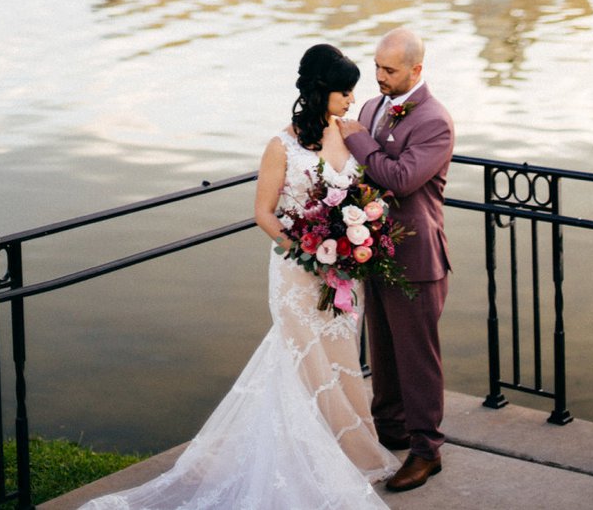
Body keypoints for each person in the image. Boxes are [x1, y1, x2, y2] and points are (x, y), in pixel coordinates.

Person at [79, 42, 397, 510]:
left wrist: (353, 239)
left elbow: (358, 190)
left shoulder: (349, 134)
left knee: (340, 358)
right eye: (344, 92)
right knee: (300, 362)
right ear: (320, 91)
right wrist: (307, 251)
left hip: (342, 272)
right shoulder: (280, 145)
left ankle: (346, 455)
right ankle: (298, 463)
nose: (352, 100)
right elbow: (264, 214)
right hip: (298, 271)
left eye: (353, 92)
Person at [339, 26, 455, 494]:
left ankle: (427, 451)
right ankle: (390, 429)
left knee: (417, 357)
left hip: (418, 256)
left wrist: (358, 141)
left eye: (389, 70)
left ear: (416, 69)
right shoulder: (370, 107)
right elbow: (364, 173)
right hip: (375, 251)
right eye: (377, 67)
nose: (379, 77)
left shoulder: (434, 121)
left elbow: (402, 179)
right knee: (383, 350)